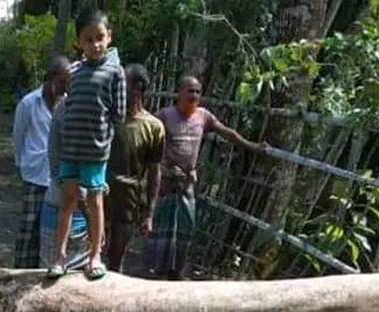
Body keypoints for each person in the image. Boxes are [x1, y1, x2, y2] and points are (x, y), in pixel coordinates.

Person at [144, 76, 268, 279]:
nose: (193, 96)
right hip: (167, 181)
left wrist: (252, 146)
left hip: (187, 183)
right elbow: (146, 132)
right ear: (179, 93)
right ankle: (156, 269)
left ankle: (176, 270)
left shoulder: (203, 116)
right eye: (190, 91)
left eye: (197, 92)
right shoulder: (165, 116)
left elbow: (228, 133)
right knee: (162, 225)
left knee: (186, 225)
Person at [50, 9, 126, 280]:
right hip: (71, 148)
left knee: (94, 202)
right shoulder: (74, 71)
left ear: (109, 37)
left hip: (95, 151)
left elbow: (118, 115)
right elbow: (69, 105)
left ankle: (95, 256)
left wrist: (105, 143)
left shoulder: (115, 72)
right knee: (67, 201)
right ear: (79, 42)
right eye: (88, 39)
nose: (95, 44)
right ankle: (59, 256)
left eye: (100, 37)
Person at [105, 64, 165, 274]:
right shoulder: (108, 119)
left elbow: (155, 171)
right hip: (100, 194)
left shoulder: (153, 127)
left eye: (123, 86)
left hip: (128, 201)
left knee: (116, 258)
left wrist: (149, 212)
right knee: (91, 255)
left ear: (137, 89)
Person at [12, 56, 71, 269]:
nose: (66, 87)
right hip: (34, 175)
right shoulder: (28, 103)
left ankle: (42, 272)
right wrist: (21, 165)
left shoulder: (67, 106)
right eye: (63, 81)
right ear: (51, 77)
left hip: (57, 178)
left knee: (51, 232)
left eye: (69, 82)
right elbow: (18, 138)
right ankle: (20, 272)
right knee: (28, 231)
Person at [39, 104, 90, 272]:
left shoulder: (65, 109)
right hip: (63, 204)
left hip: (81, 209)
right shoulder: (64, 111)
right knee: (50, 271)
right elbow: (55, 162)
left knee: (80, 276)